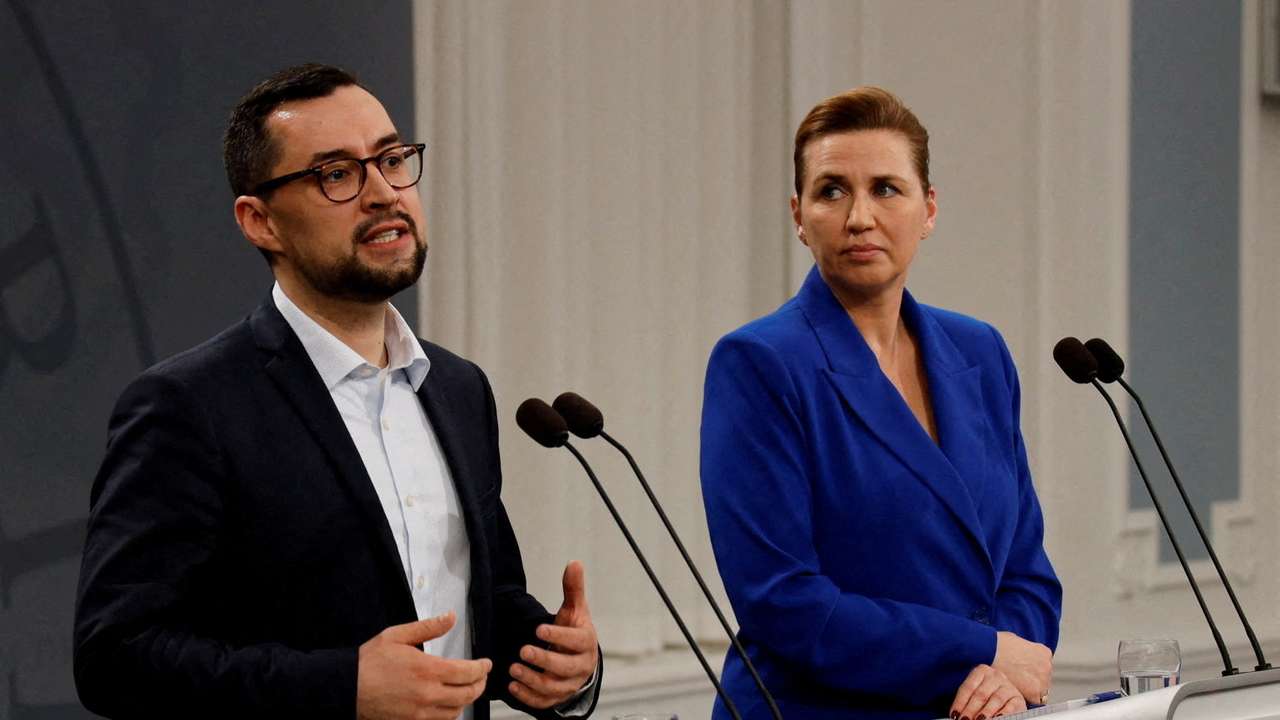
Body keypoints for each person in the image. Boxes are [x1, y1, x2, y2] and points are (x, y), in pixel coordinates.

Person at [74, 64, 601, 720]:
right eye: (337, 174)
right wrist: (341, 686)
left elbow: (480, 601)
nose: (383, 192)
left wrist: (553, 659)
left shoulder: (459, 389)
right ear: (259, 221)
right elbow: (115, 657)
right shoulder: (187, 407)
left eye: (392, 158)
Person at [699, 87, 1061, 720]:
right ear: (798, 215)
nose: (859, 216)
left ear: (929, 209)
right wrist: (986, 653)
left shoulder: (980, 352)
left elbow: (1026, 565)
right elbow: (782, 600)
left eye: (886, 189)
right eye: (832, 190)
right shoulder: (759, 363)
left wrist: (1008, 668)